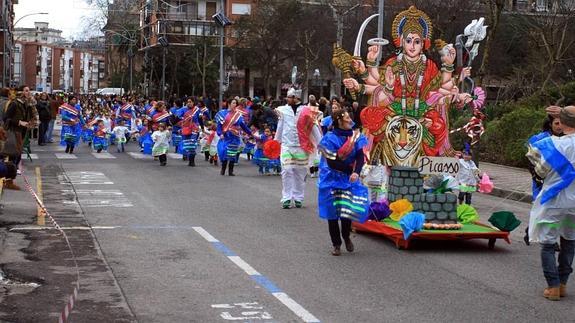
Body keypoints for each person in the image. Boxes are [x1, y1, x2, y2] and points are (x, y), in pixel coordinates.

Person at [526, 105, 575, 301]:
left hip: (554, 201)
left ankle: (552, 286)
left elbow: (540, 170)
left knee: (547, 243)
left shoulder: (552, 144)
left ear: (561, 123)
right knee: (569, 241)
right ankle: (563, 284)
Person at [318, 109, 367, 256]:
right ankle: (336, 244)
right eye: (346, 118)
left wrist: (356, 172)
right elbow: (332, 163)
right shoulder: (329, 138)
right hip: (331, 179)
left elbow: (360, 157)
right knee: (332, 213)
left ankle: (346, 236)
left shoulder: (356, 136)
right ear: (339, 121)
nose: (350, 120)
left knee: (346, 211)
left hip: (348, 179)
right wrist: (349, 170)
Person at [275, 88, 321, 209]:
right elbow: (280, 126)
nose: (287, 99)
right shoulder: (283, 110)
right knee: (287, 170)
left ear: (296, 98)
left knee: (300, 173)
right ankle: (286, 198)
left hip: (302, 146)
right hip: (286, 145)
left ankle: (298, 197)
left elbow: (314, 127)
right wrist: (276, 142)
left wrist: (320, 142)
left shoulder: (307, 111)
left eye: (289, 97)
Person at [2, 86, 35, 190]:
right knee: (13, 156)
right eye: (26, 90)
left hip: (21, 133)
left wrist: (30, 123)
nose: (28, 92)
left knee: (16, 157)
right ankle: (9, 181)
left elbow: (29, 116)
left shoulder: (26, 104)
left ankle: (9, 180)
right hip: (13, 132)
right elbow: (6, 118)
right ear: (21, 92)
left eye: (29, 91)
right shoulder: (15, 104)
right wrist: (20, 122)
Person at [215, 98, 252, 176]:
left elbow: (243, 126)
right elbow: (219, 126)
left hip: (235, 137)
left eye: (236, 103)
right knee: (224, 153)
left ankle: (230, 171)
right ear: (229, 104)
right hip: (225, 136)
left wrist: (250, 133)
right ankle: (223, 169)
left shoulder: (238, 115)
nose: (235, 105)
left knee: (232, 154)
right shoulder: (222, 113)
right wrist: (220, 134)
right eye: (233, 103)